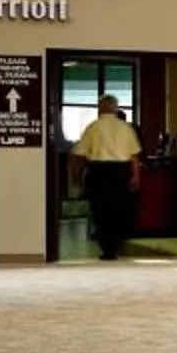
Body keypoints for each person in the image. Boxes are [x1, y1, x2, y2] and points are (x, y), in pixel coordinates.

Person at [70, 95, 141, 260]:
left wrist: (76, 176)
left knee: (101, 210)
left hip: (99, 172)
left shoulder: (92, 128)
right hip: (121, 172)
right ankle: (117, 244)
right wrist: (136, 176)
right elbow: (134, 156)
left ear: (100, 108)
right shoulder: (126, 128)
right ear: (116, 108)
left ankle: (107, 247)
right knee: (119, 209)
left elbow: (80, 155)